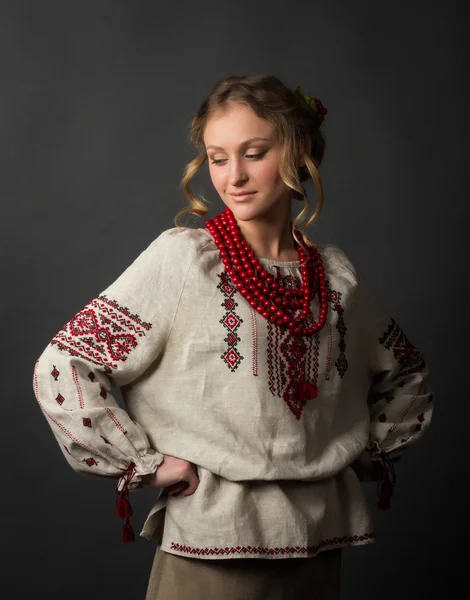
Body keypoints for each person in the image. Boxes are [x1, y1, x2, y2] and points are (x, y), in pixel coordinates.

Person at [33, 74, 434, 600]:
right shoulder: (185, 261)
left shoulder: (336, 276)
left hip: (319, 541)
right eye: (218, 158)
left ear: (299, 155)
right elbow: (64, 365)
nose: (234, 176)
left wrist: (365, 448)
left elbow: (406, 372)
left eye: (255, 153)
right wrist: (145, 463)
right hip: (213, 543)